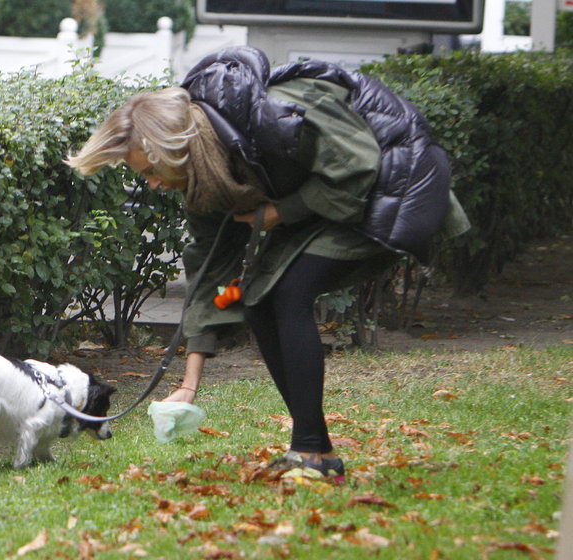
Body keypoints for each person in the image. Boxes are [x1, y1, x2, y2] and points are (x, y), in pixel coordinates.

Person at [66, 46, 470, 481]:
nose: (151, 184)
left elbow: (358, 170)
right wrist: (189, 381)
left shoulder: (275, 117)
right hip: (330, 200)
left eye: (150, 170)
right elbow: (210, 272)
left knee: (290, 292)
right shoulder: (204, 172)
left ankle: (310, 453)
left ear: (177, 148)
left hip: (393, 183)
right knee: (257, 300)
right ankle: (316, 451)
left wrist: (281, 212)